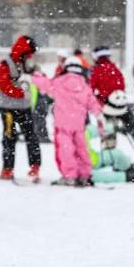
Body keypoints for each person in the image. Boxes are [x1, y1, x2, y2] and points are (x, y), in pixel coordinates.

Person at [30, 56, 106, 187]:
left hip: (62, 124)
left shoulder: (58, 82)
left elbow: (44, 83)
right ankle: (84, 175)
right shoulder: (84, 86)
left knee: (66, 151)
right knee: (81, 149)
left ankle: (70, 176)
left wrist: (34, 76)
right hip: (79, 125)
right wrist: (99, 116)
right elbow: (93, 103)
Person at [0, 35, 41, 182]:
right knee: (9, 137)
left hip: (24, 107)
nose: (30, 57)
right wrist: (21, 93)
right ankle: (7, 169)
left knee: (31, 136)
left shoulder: (26, 63)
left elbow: (34, 77)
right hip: (7, 108)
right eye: (29, 54)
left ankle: (35, 167)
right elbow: (4, 85)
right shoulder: (5, 63)